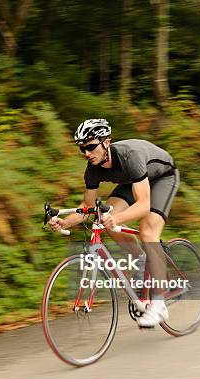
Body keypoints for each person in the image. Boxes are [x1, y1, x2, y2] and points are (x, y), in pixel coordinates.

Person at [50, 118, 179, 327]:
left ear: (106, 142)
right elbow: (87, 207)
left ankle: (158, 304)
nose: (86, 153)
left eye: (91, 147)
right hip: (133, 181)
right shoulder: (93, 168)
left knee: (147, 233)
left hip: (162, 178)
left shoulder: (130, 156)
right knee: (102, 217)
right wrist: (64, 223)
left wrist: (116, 218)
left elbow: (144, 205)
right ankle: (141, 260)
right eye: (82, 149)